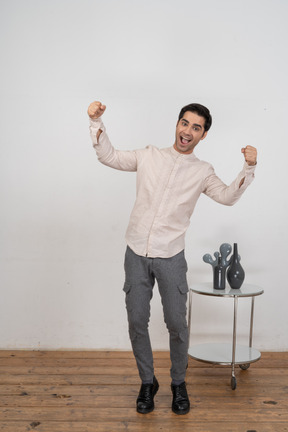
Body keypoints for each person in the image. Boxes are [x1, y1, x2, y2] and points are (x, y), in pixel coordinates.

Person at [88, 100, 257, 415]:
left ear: (203, 135)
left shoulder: (203, 171)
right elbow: (109, 155)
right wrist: (96, 122)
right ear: (177, 124)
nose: (188, 131)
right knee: (137, 320)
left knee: (177, 324)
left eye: (196, 127)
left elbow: (227, 197)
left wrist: (249, 168)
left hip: (171, 257)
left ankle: (179, 383)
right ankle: (147, 382)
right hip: (135, 252)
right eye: (185, 123)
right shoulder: (149, 155)